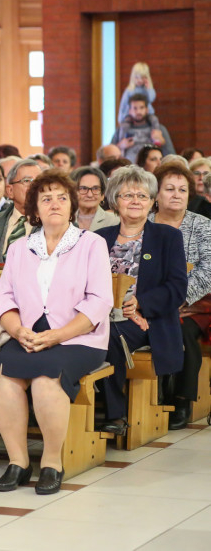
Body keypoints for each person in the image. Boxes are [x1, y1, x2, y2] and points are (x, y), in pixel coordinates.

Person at [0, 170, 112, 495]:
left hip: (79, 338)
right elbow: (4, 298)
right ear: (35, 208)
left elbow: (100, 301)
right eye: (46, 199)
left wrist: (58, 336)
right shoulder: (19, 248)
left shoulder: (92, 244)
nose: (54, 204)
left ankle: (51, 462)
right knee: (3, 379)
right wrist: (18, 331)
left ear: (72, 205)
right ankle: (18, 462)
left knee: (47, 380)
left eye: (61, 197)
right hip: (29, 336)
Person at [95, 166, 187, 434]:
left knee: (112, 335)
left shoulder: (168, 237)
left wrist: (140, 304)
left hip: (150, 321)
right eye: (127, 195)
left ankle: (115, 415)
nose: (135, 201)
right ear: (115, 201)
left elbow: (177, 287)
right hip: (100, 314)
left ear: (152, 201)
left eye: (142, 196)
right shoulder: (99, 238)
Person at [148, 161, 211, 429]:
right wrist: (155, 302)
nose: (176, 195)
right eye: (169, 189)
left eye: (182, 190)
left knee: (182, 331)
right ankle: (150, 396)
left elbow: (208, 270)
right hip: (147, 301)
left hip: (194, 304)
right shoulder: (144, 223)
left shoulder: (203, 225)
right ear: (156, 193)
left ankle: (181, 400)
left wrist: (177, 299)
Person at [0, 159, 42, 263]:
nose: (35, 187)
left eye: (39, 181)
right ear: (10, 191)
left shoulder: (54, 227)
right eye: (27, 181)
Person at [112, 94, 175, 163]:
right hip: (128, 167)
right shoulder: (121, 130)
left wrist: (162, 142)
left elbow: (172, 158)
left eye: (141, 108)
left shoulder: (159, 129)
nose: (138, 112)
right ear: (130, 111)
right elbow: (108, 157)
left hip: (153, 168)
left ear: (147, 110)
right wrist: (119, 146)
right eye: (135, 108)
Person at [69, 166, 118, 231]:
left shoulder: (115, 221)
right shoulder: (65, 219)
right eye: (83, 188)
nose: (90, 195)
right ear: (73, 192)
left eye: (95, 188)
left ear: (102, 195)